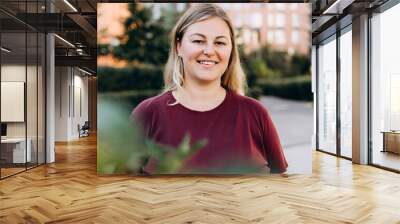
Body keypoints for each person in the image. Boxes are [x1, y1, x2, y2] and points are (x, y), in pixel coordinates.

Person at [132, 3, 288, 174]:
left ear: (231, 51)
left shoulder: (256, 113)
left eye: (220, 42)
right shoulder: (148, 113)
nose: (209, 51)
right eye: (198, 40)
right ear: (179, 46)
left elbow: (279, 183)